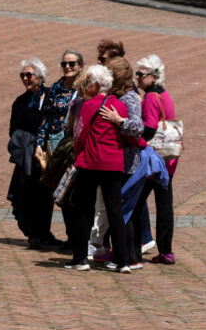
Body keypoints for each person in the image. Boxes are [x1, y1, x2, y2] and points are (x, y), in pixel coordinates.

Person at [66, 64, 131, 273]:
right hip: (113, 163)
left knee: (83, 208)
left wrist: (77, 153)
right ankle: (123, 261)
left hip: (90, 162)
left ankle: (80, 258)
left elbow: (79, 135)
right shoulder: (119, 106)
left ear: (95, 84)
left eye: (87, 83)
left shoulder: (88, 105)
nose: (85, 86)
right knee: (115, 211)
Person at [35, 50, 84, 249]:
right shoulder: (56, 87)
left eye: (72, 63)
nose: (68, 67)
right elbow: (46, 117)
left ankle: (80, 238)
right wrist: (40, 143)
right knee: (61, 191)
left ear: (80, 65)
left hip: (76, 144)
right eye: (64, 63)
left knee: (75, 191)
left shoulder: (85, 88)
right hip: (57, 144)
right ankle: (71, 237)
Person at [131, 55, 178, 265]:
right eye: (137, 74)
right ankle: (166, 251)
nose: (137, 78)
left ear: (154, 76)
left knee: (135, 201)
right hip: (168, 159)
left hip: (153, 161)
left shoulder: (150, 97)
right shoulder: (164, 95)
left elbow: (149, 128)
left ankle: (133, 248)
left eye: (142, 74)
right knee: (165, 204)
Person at [99, 57, 144, 269]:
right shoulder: (115, 96)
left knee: (122, 211)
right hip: (116, 161)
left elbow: (138, 126)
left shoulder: (129, 98)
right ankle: (122, 253)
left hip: (127, 163)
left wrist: (119, 121)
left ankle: (129, 257)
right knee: (119, 210)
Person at [6, 58, 53, 250]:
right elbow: (13, 130)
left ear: (40, 77)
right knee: (28, 194)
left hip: (49, 154)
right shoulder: (20, 102)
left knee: (47, 194)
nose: (25, 78)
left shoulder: (52, 96)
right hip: (29, 156)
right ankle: (33, 233)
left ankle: (45, 233)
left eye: (29, 75)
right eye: (22, 75)